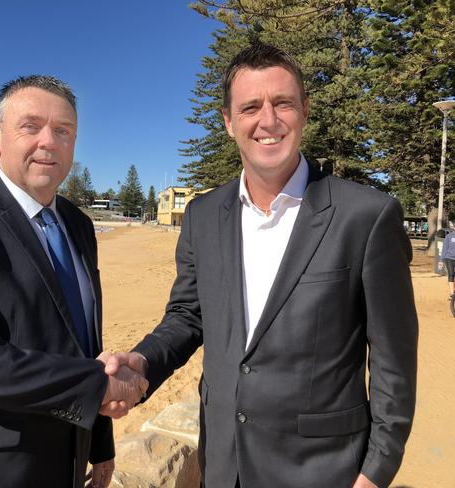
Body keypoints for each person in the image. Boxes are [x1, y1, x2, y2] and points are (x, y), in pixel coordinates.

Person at [103, 44, 418, 488]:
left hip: (323, 470)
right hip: (223, 464)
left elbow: (394, 360)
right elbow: (188, 316)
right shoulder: (203, 215)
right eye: (250, 107)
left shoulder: (367, 215)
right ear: (229, 122)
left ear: (304, 111)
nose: (267, 121)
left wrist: (377, 470)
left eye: (283, 103)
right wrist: (142, 362)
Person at [0, 75, 147, 488]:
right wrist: (95, 386)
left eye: (63, 131)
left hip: (66, 459)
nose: (49, 141)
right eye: (31, 127)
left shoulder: (79, 225)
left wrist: (100, 443)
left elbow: (83, 341)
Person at [439, 226, 455, 297]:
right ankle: (452, 293)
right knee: (451, 274)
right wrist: (441, 260)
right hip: (449, 258)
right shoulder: (449, 236)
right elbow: (444, 249)